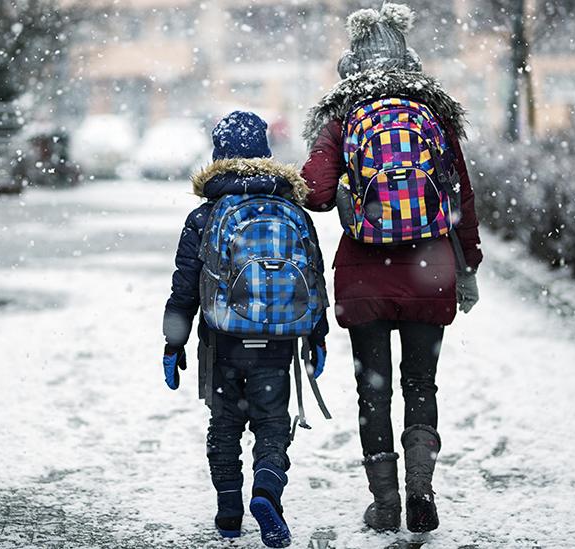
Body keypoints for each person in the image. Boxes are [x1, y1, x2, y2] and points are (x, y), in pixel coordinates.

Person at [300, 2, 483, 534]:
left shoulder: (343, 117)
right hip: (430, 270)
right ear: (409, 61)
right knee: (420, 384)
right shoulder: (435, 117)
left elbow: (313, 191)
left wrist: (338, 182)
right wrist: (466, 263)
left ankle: (385, 504)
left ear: (352, 66)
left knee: (373, 391)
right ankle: (421, 490)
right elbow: (462, 199)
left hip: (365, 275)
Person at [162, 111, 329, 548]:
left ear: (218, 154)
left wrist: (173, 344)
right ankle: (267, 491)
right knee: (272, 423)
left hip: (222, 342)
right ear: (266, 154)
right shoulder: (291, 209)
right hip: (276, 342)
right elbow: (313, 278)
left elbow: (184, 289)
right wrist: (317, 335)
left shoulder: (206, 216)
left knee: (225, 425)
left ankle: (230, 512)